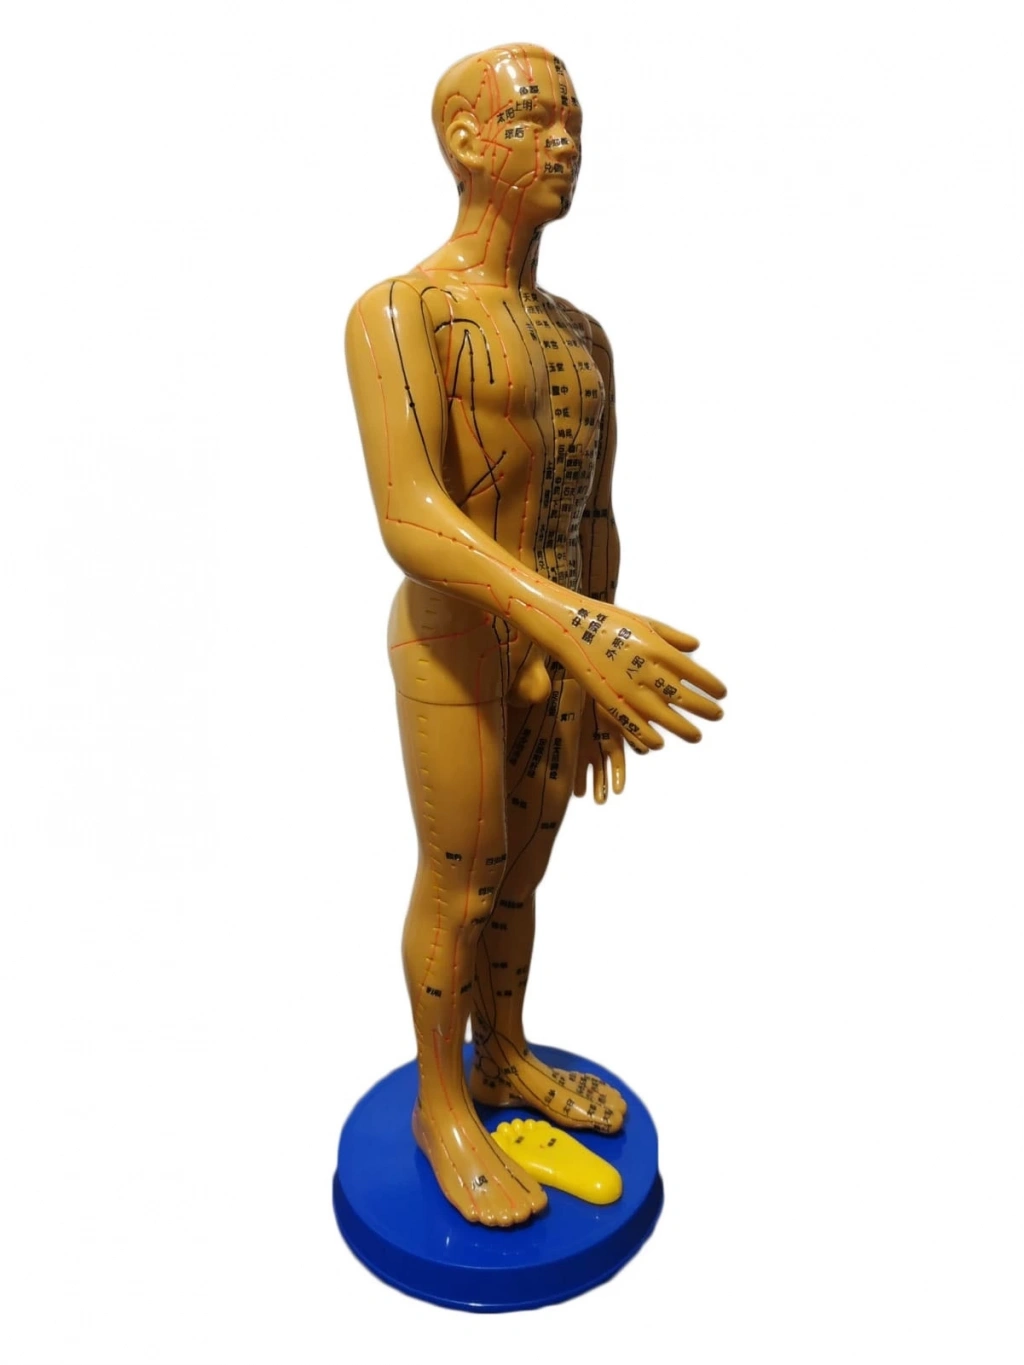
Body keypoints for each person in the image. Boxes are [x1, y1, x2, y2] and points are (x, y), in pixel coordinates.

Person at [345, 43, 726, 1226]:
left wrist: (591, 665)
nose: (564, 141)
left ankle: (503, 1056)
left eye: (573, 121)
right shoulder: (398, 312)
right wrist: (577, 628)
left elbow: (592, 511)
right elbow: (412, 514)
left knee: (523, 875)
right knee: (462, 885)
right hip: (454, 650)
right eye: (531, 119)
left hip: (560, 654)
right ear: (465, 142)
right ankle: (439, 1105)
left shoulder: (584, 335)